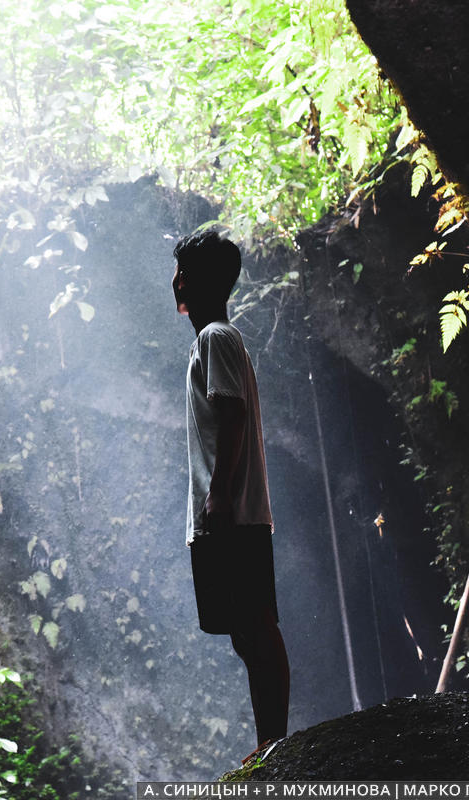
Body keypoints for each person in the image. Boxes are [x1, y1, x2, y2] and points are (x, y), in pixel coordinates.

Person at [171, 229, 290, 759]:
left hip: (232, 515)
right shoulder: (216, 339)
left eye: (181, 271)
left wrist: (218, 496)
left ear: (194, 281)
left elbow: (233, 412)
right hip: (231, 514)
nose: (174, 281)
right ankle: (270, 743)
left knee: (256, 626)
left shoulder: (215, 337)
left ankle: (276, 745)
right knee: (247, 631)